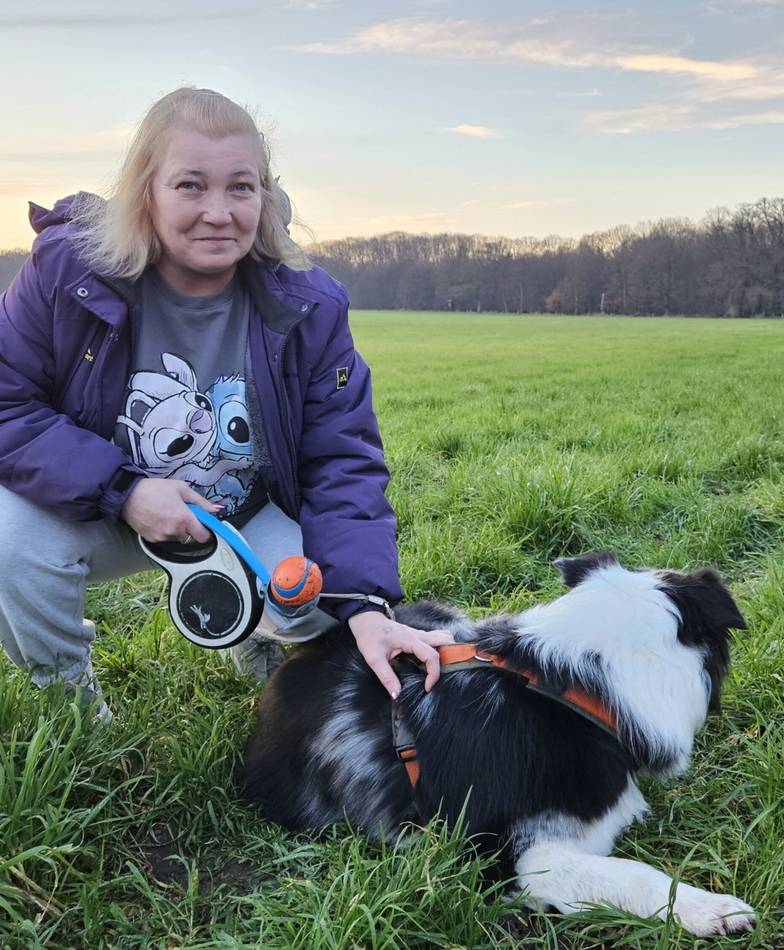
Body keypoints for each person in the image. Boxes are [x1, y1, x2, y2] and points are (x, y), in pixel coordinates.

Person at [0, 86, 451, 712]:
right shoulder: (67, 273)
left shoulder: (308, 306)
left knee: (324, 618)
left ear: (263, 197)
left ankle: (257, 638)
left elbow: (341, 460)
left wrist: (365, 604)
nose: (220, 212)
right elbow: (6, 405)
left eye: (241, 187)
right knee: (8, 540)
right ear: (145, 193)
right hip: (101, 507)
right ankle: (70, 703)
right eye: (190, 186)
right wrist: (126, 490)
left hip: (240, 512)